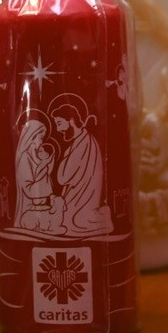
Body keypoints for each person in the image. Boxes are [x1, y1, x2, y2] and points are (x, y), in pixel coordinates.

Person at [52, 97, 112, 238]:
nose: (58, 129)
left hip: (82, 199)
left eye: (60, 123)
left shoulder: (83, 144)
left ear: (71, 121)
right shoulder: (81, 141)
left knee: (70, 223)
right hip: (78, 194)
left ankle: (100, 217)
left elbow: (63, 177)